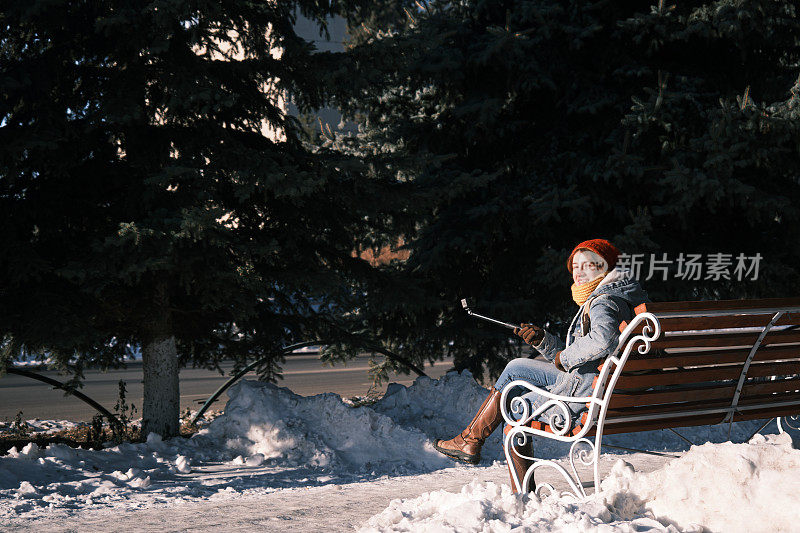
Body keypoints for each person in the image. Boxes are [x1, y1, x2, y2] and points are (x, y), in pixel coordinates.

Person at [433, 239, 649, 490]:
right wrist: (544, 341)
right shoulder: (626, 295)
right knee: (515, 367)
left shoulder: (604, 301)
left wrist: (564, 358)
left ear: (605, 268)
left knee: (515, 411)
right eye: (575, 267)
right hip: (600, 386)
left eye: (587, 265)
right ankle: (470, 439)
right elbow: (585, 354)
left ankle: (522, 494)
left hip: (585, 395)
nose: (578, 273)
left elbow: (601, 342)